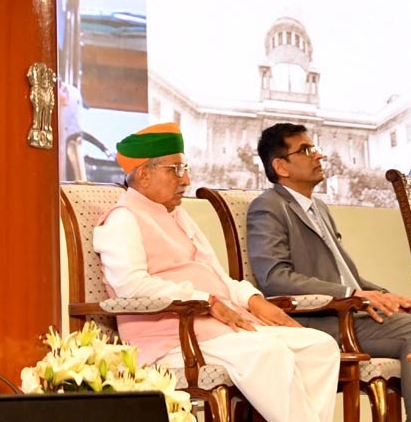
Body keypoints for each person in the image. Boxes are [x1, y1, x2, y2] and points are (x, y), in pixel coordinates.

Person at [92, 123, 340, 422]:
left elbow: (218, 276)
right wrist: (205, 300)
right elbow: (130, 286)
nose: (186, 179)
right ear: (144, 174)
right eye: (175, 169)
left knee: (318, 347)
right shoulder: (123, 219)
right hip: (171, 336)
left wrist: (253, 300)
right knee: (266, 352)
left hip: (220, 327)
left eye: (185, 168)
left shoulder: (178, 214)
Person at [246, 122, 411, 422]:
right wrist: (352, 295)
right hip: (318, 320)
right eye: (306, 150)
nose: (319, 155)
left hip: (350, 312)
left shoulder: (319, 208)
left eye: (315, 147)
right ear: (280, 166)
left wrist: (389, 297)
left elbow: (348, 276)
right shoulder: (268, 207)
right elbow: (275, 279)